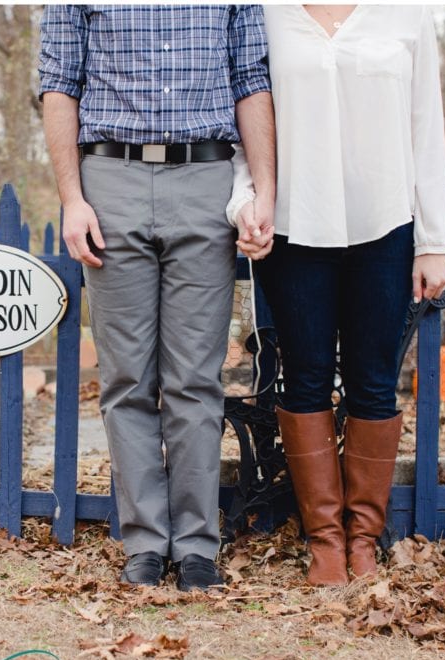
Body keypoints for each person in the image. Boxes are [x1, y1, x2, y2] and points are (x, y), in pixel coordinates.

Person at [39, 5, 276, 591]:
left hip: (205, 181)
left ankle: (197, 546)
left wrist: (265, 192)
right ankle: (144, 542)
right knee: (127, 380)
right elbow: (58, 86)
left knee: (196, 378)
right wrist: (72, 199)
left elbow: (252, 81)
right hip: (110, 181)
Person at [227, 5, 445, 585]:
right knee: (303, 378)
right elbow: (244, 125)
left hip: (384, 227)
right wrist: (244, 202)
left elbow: (426, 127)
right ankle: (325, 542)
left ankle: (363, 541)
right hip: (296, 225)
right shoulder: (266, 16)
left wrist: (432, 239)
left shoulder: (405, 17)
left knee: (372, 381)